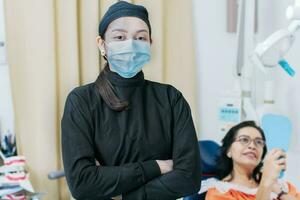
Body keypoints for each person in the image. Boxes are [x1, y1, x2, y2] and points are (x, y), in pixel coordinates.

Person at [61, 1, 201, 200]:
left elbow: (190, 178)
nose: (131, 44)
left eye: (140, 37)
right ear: (102, 44)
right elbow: (82, 183)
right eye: (120, 37)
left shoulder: (171, 98)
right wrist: (158, 167)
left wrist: (126, 195)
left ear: (150, 43)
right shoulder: (82, 101)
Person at [203, 121, 300, 200]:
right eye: (244, 140)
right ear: (229, 151)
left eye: (258, 142)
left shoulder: (280, 186)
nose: (252, 146)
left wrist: (281, 193)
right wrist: (266, 182)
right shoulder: (219, 192)